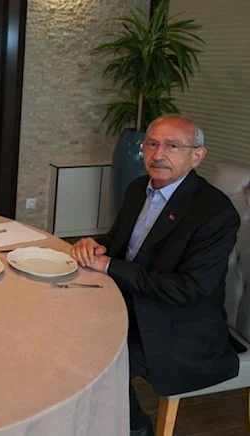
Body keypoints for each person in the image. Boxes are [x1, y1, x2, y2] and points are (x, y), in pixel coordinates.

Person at [70, 115, 240, 436]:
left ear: (197, 156)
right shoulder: (139, 188)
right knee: (63, 328)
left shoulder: (215, 213)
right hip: (134, 303)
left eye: (173, 146)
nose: (158, 154)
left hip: (180, 327)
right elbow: (121, 243)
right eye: (152, 144)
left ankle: (137, 429)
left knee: (94, 366)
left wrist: (108, 266)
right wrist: (96, 245)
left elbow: (188, 289)